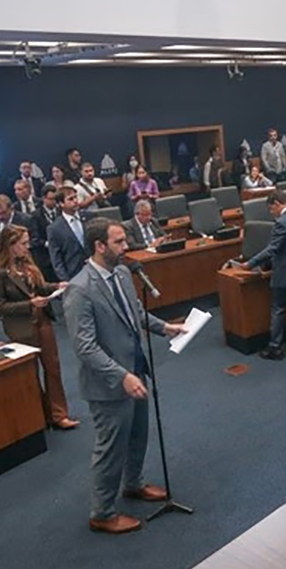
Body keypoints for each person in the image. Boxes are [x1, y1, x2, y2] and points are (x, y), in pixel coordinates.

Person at [64, 218, 186, 534]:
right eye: (119, 241)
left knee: (138, 435)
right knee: (110, 448)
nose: (126, 246)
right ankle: (102, 513)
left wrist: (163, 327)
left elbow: (134, 313)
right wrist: (121, 376)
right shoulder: (80, 289)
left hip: (136, 370)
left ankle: (133, 483)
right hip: (109, 384)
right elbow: (85, 348)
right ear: (99, 246)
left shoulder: (121, 273)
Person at [0, 225, 79, 431]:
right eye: (23, 244)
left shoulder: (27, 263)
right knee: (29, 373)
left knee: (52, 368)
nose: (27, 248)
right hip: (21, 327)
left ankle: (58, 415)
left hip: (42, 321)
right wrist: (30, 304)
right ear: (10, 245)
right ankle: (39, 416)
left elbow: (40, 287)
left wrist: (56, 287)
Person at [241, 193, 286, 361]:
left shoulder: (282, 223)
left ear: (277, 204)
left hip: (283, 272)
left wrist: (251, 263)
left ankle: (275, 347)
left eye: (271, 209)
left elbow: (272, 249)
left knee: (278, 309)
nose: (271, 213)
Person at [48, 187, 88, 282]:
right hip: (74, 274)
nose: (75, 201)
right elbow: (56, 259)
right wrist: (66, 280)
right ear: (61, 203)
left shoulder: (89, 217)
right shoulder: (54, 228)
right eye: (70, 199)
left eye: (75, 197)